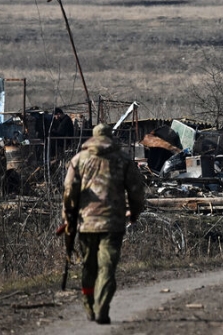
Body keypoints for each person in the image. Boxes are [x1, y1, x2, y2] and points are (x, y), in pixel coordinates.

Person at [62, 123, 147, 324]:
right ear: (110, 138)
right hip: (113, 223)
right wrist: (135, 212)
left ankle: (89, 305)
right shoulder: (123, 159)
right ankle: (102, 307)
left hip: (86, 223)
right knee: (107, 267)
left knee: (88, 266)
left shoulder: (78, 159)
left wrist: (68, 217)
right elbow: (136, 190)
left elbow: (69, 191)